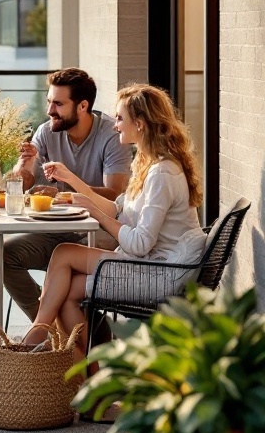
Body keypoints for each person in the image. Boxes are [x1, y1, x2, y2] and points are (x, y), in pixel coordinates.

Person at [23, 83, 208, 359]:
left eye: (120, 118)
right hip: (149, 264)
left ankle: (43, 338)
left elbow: (140, 243)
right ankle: (81, 372)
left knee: (63, 258)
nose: (115, 125)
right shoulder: (149, 163)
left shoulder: (162, 174)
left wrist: (95, 213)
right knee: (64, 287)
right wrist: (72, 185)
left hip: (159, 273)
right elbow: (118, 210)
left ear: (141, 124)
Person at [0, 67, 132, 321]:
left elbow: (114, 195)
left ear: (82, 106)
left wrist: (61, 191)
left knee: (68, 272)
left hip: (97, 233)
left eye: (57, 103)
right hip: (53, 231)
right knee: (1, 256)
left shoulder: (112, 134)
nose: (49, 111)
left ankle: (68, 334)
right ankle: (51, 328)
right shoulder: (47, 131)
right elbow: (21, 186)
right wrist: (24, 165)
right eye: (48, 102)